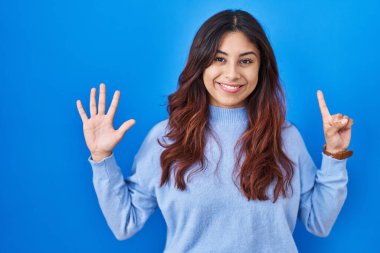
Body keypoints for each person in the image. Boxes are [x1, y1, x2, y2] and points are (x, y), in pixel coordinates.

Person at [76, 9, 354, 253]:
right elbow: (125, 223)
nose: (232, 74)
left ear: (261, 68)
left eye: (246, 61)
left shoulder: (285, 138)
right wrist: (102, 158)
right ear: (200, 64)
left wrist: (335, 155)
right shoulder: (166, 138)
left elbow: (319, 222)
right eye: (219, 59)